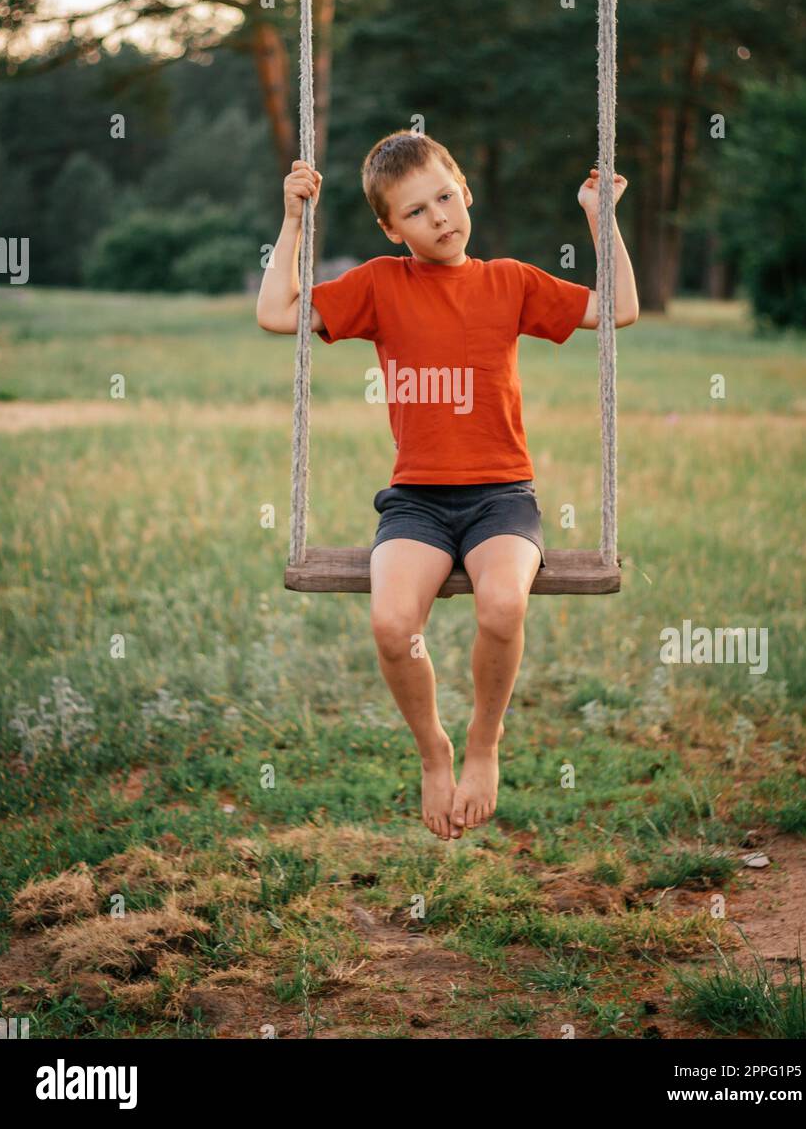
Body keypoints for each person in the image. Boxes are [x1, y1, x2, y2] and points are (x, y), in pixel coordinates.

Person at [257, 131, 639, 841]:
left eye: (443, 197)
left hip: (503, 498)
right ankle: (434, 750)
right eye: (415, 212)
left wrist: (599, 216)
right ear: (390, 229)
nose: (437, 218)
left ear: (465, 190)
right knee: (393, 626)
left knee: (501, 605)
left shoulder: (511, 282)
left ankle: (484, 744)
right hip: (418, 503)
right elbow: (277, 314)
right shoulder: (378, 285)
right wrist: (292, 222)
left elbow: (616, 310)